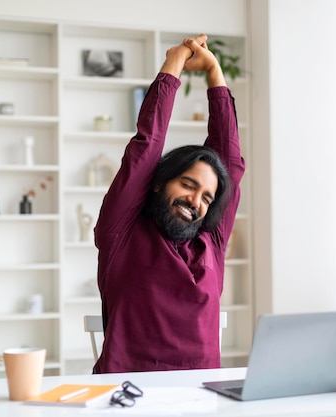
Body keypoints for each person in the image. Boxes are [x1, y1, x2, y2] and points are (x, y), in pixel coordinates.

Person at [93, 34, 245, 373]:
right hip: (127, 397)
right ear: (160, 182)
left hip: (202, 399)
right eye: (188, 185)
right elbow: (146, 147)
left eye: (207, 197)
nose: (196, 201)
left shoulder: (212, 242)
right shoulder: (123, 232)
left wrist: (215, 72)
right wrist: (173, 64)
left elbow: (231, 164)